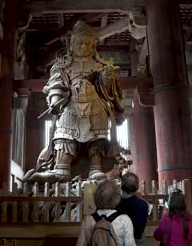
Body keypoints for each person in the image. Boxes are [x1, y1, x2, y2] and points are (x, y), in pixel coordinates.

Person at [23, 20, 125, 183]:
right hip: (71, 107)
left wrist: (107, 76)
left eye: (87, 43)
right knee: (64, 134)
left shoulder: (99, 65)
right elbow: (56, 83)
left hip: (95, 107)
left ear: (93, 46)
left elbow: (106, 89)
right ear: (71, 45)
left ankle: (96, 168)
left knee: (97, 135)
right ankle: (61, 169)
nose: (83, 46)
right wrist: (55, 98)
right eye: (79, 43)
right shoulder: (62, 66)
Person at [76, 180, 136, 246]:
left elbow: (80, 244)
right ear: (116, 197)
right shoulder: (124, 220)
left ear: (96, 196)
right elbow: (130, 244)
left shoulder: (88, 220)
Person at [115, 172, 149, 246]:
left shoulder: (114, 203)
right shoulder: (142, 205)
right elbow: (138, 234)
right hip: (138, 242)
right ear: (137, 188)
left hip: (117, 240)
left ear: (120, 186)